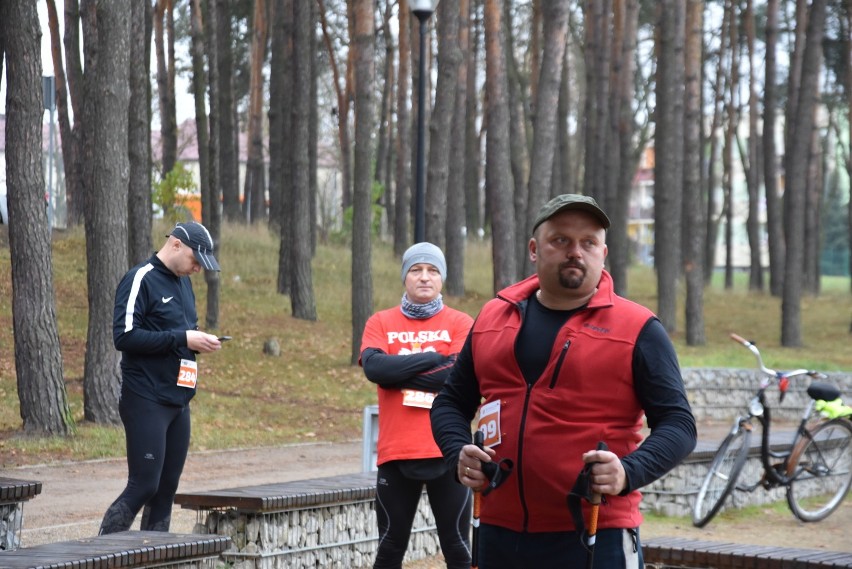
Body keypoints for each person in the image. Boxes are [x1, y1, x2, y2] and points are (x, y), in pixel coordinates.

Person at [430, 194, 697, 568]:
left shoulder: (638, 329)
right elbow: (450, 402)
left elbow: (679, 424)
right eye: (561, 240)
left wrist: (627, 472)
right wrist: (457, 449)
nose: (576, 251)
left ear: (603, 252)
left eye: (588, 242)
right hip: (498, 530)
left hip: (595, 531)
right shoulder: (492, 317)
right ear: (535, 249)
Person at [99, 221, 224, 534]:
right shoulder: (140, 278)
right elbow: (124, 336)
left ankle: (153, 558)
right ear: (177, 244)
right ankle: (102, 552)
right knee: (144, 485)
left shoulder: (184, 283)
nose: (197, 269)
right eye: (196, 261)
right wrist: (181, 338)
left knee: (167, 488)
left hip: (179, 399)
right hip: (145, 397)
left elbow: (180, 331)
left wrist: (197, 339)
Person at [360, 242, 474, 569]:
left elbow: (456, 375)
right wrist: (435, 359)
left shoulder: (461, 322)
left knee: (458, 548)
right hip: (397, 454)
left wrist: (398, 372)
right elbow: (375, 369)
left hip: (450, 452)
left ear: (442, 278)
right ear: (405, 277)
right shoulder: (380, 322)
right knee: (390, 548)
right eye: (416, 270)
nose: (424, 277)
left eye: (432, 270)